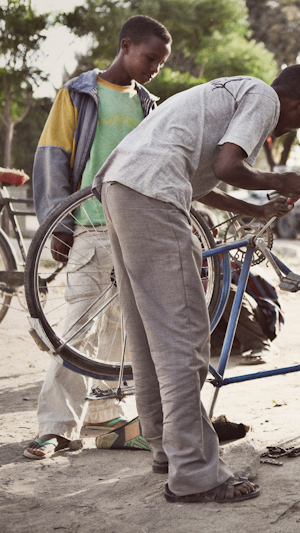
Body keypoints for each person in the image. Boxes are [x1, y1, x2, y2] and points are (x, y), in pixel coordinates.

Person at [91, 65, 300, 503]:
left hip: (122, 185)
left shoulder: (226, 93)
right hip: (152, 195)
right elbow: (227, 165)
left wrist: (255, 209)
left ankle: (168, 447)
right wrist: (281, 180)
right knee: (183, 337)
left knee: (148, 334)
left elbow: (202, 181)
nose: (292, 128)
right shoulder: (263, 97)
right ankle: (196, 475)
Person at [24, 16, 172, 460]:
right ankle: (55, 426)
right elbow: (53, 159)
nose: (154, 69)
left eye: (161, 64)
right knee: (78, 328)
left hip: (134, 231)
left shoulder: (149, 104)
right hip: (87, 227)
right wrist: (57, 224)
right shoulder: (79, 93)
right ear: (125, 46)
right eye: (150, 58)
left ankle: (105, 415)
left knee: (121, 329)